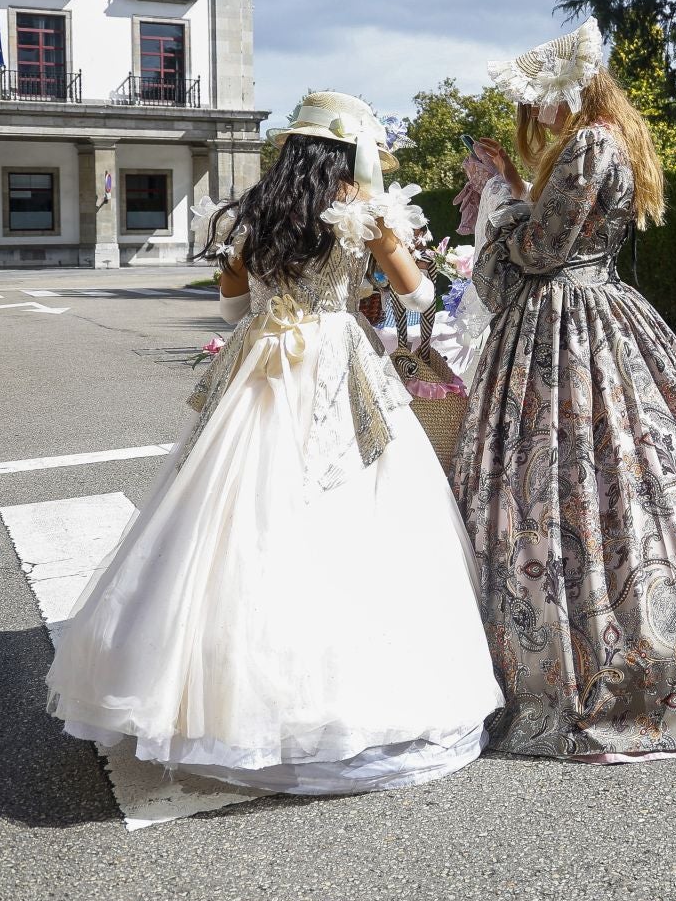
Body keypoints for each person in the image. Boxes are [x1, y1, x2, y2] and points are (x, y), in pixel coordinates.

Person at [45, 92, 502, 795]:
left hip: (261, 362)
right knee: (353, 504)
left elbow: (231, 307)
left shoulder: (252, 216)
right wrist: (386, 253)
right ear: (348, 155)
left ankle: (207, 688)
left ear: (291, 150)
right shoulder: (364, 214)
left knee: (230, 512)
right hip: (335, 363)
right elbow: (416, 300)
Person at [455, 20, 676, 761]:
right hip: (596, 312)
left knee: (573, 479)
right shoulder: (612, 139)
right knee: (616, 474)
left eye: (539, 100)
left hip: (565, 326)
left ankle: (604, 653)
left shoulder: (588, 143)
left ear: (570, 90)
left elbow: (536, 255)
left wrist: (497, 197)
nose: (535, 114)